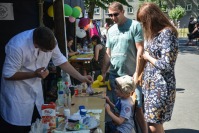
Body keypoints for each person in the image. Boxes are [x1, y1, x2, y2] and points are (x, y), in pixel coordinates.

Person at [0, 27, 93, 133]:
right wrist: (34, 74)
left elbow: (61, 61)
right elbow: (8, 74)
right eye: (46, 51)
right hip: (17, 94)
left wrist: (81, 77)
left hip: (36, 92)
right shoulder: (17, 46)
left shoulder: (51, 40)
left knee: (39, 126)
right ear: (35, 44)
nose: (48, 53)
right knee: (18, 128)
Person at [101, 1, 147, 133]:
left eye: (116, 14)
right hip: (115, 76)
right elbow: (108, 53)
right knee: (119, 107)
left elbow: (140, 50)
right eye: (110, 15)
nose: (113, 18)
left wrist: (137, 73)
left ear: (123, 12)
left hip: (131, 75)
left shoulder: (135, 26)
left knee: (137, 107)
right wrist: (104, 71)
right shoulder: (111, 30)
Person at [137, 2, 179, 133]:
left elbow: (166, 65)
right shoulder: (153, 34)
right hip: (151, 86)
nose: (143, 25)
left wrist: (148, 57)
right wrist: (139, 75)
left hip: (161, 87)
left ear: (152, 19)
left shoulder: (167, 33)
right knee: (155, 124)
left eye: (144, 21)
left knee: (153, 125)